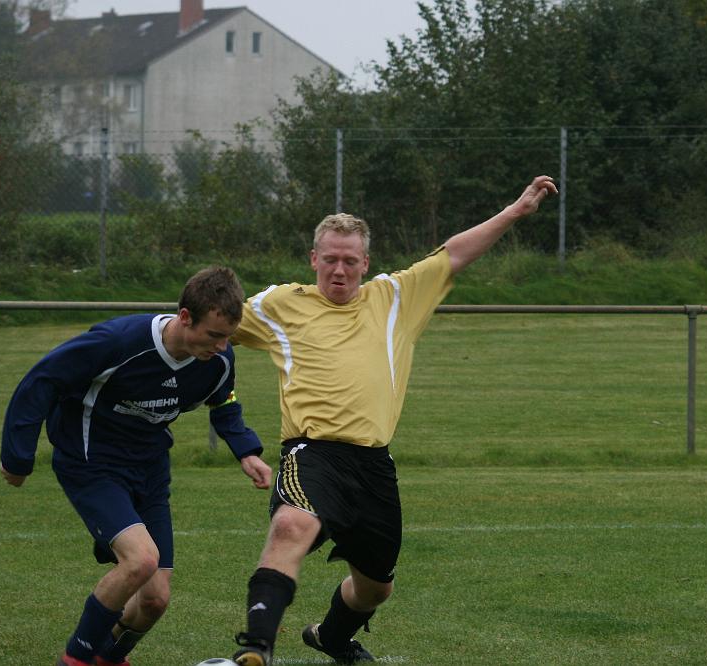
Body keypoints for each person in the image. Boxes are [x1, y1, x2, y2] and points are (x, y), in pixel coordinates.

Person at [228, 176, 558, 665]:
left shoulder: (396, 297)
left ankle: (331, 637)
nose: (339, 270)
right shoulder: (279, 304)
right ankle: (257, 647)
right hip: (311, 453)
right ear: (314, 259)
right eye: (330, 259)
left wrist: (515, 211)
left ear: (365, 263)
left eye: (350, 261)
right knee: (291, 526)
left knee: (375, 588)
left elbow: (454, 254)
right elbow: (212, 328)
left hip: (373, 465)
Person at [0, 266, 273, 666]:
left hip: (149, 470)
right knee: (141, 560)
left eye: (228, 336)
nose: (221, 346)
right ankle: (74, 660)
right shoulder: (118, 343)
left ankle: (108, 658)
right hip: (91, 462)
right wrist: (18, 456)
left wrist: (246, 450)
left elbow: (224, 399)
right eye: (214, 335)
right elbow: (43, 380)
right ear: (185, 317)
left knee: (154, 600)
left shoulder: (218, 360)